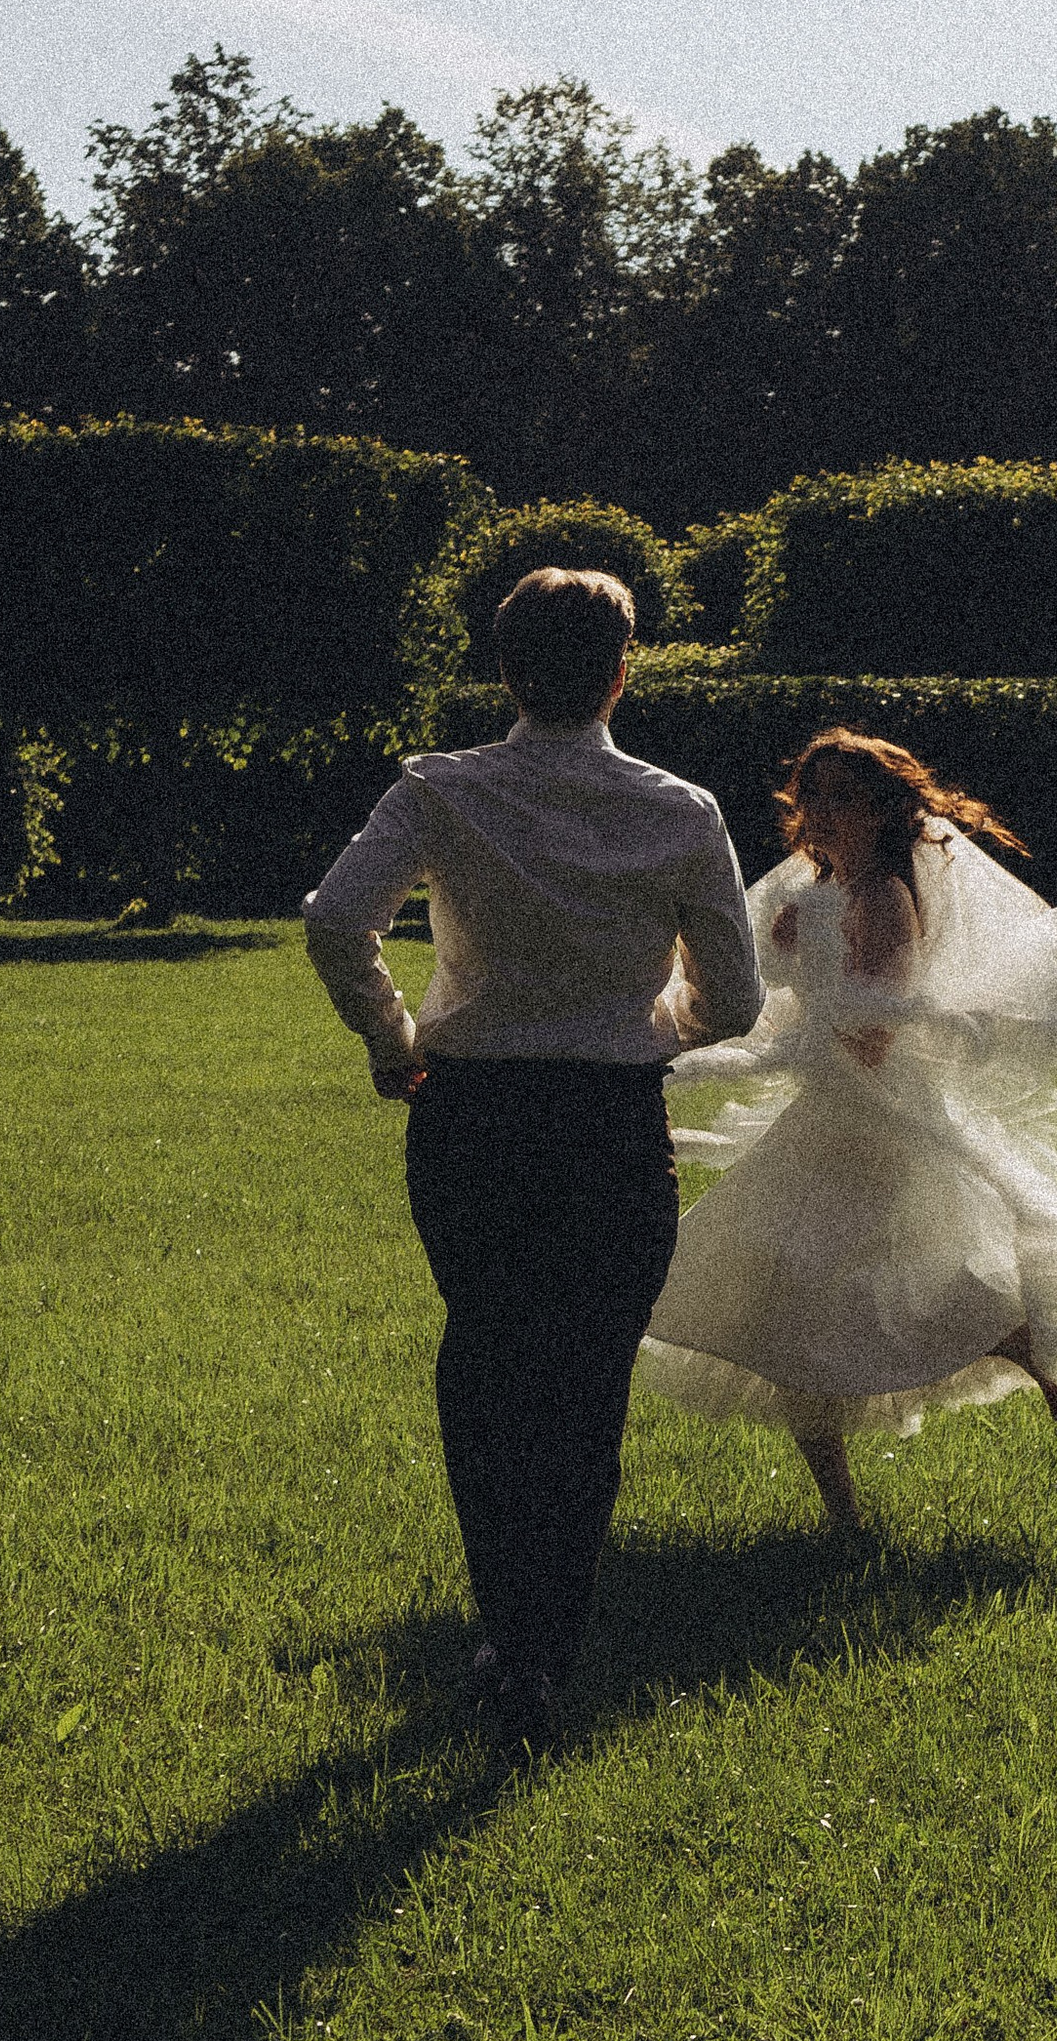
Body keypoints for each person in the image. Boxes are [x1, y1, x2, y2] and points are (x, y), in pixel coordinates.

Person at [303, 567, 762, 1748]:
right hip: (608, 1123)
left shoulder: (441, 790)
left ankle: (507, 1633)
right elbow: (738, 1001)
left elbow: (333, 918)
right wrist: (652, 1028)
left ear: (504, 671)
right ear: (623, 671)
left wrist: (393, 1034)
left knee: (487, 1363)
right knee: (583, 1384)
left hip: (472, 1114)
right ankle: (545, 1644)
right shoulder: (681, 808)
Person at [638, 729, 1057, 1527]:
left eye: (840, 798)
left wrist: (807, 963)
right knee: (797, 1306)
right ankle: (852, 1505)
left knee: (823, 1296)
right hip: (826, 1115)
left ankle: (1020, 1342)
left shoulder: (887, 894)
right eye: (811, 794)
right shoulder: (822, 890)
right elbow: (803, 1006)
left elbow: (876, 1029)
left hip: (876, 1122)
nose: (818, 812)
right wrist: (783, 968)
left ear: (880, 809)